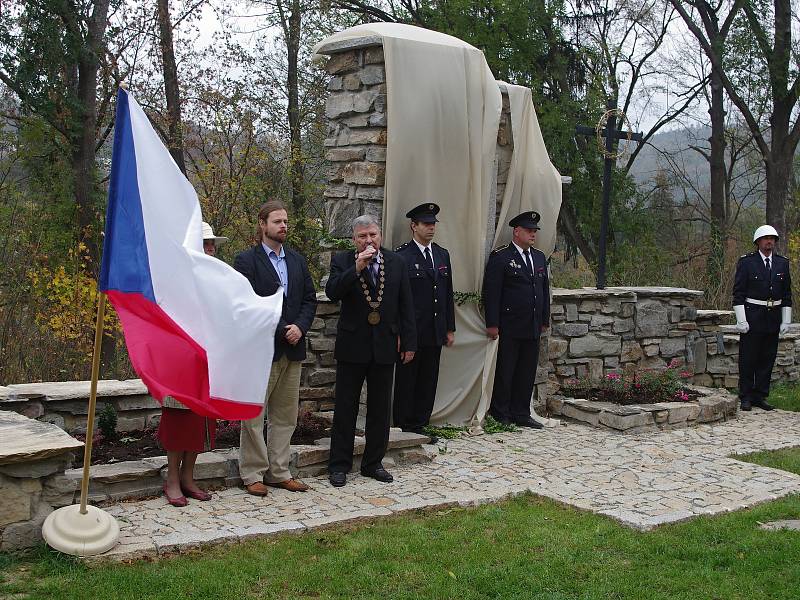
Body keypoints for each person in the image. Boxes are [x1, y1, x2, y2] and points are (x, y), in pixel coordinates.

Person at [326, 215, 417, 487]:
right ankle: (339, 465)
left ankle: (373, 462)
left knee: (379, 408)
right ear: (354, 240)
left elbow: (406, 305)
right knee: (346, 407)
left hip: (385, 346)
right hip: (352, 345)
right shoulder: (342, 261)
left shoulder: (396, 262)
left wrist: (409, 342)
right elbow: (332, 292)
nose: (369, 241)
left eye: (373, 235)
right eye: (363, 236)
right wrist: (356, 268)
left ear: (380, 235)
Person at [234, 200, 317, 496]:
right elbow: (249, 301)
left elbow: (309, 299)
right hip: (262, 349)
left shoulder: (296, 260)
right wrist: (284, 327)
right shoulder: (246, 261)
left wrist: (301, 327)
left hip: (293, 349)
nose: (283, 226)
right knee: (254, 415)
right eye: (277, 221)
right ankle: (253, 472)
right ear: (262, 224)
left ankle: (279, 471)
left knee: (285, 415)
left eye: (285, 221)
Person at [157, 221, 227, 506]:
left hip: (208, 359)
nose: (210, 249)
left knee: (200, 420)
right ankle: (172, 479)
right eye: (205, 244)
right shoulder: (175, 280)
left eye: (212, 245)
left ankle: (188, 477)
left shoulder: (219, 280)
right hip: (179, 360)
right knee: (178, 418)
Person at [392, 203, 455, 442]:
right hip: (412, 331)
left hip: (435, 329)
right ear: (413, 226)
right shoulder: (402, 256)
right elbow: (396, 300)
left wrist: (449, 327)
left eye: (433, 224)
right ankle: (402, 426)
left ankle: (420, 424)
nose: (431, 228)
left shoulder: (441, 254)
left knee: (429, 380)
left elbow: (447, 294)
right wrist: (399, 333)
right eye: (426, 224)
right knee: (407, 381)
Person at [482, 211, 550, 429]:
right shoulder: (501, 257)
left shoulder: (539, 257)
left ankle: (521, 412)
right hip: (509, 324)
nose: (533, 235)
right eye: (529, 231)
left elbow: (543, 290)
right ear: (516, 231)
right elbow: (492, 293)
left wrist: (544, 318)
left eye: (534, 231)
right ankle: (501, 412)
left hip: (532, 323)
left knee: (526, 370)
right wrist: (492, 323)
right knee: (506, 370)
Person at [733, 225, 792, 411]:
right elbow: (739, 293)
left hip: (773, 317)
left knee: (767, 358)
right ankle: (746, 396)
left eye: (772, 239)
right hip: (753, 316)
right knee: (748, 358)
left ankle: (760, 395)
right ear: (758, 241)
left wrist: (786, 320)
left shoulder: (782, 263)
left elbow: (787, 294)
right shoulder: (747, 263)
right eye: (766, 238)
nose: (769, 242)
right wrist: (741, 319)